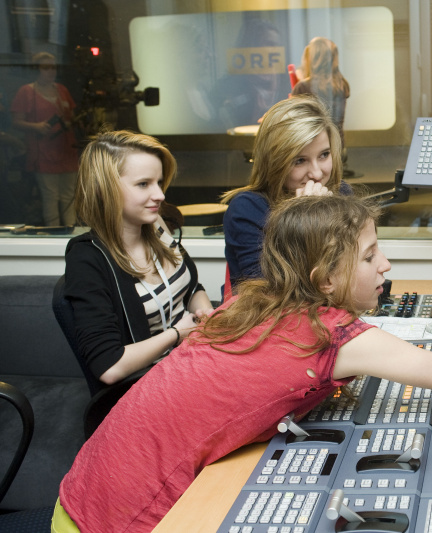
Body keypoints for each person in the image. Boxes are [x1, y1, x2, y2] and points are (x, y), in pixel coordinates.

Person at [53, 194, 432, 532]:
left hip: (80, 487)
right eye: (371, 255)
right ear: (325, 278)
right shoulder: (328, 334)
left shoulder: (255, 299)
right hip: (112, 519)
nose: (387, 267)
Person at [63, 130, 214, 386]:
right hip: (147, 384)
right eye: (144, 184)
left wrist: (206, 313)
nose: (160, 195)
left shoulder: (156, 224)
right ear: (105, 190)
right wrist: (177, 334)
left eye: (159, 182)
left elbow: (190, 290)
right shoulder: (87, 258)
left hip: (192, 359)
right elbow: (108, 366)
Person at [221, 95, 352, 286]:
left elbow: (354, 273)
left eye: (324, 155)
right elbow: (267, 295)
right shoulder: (248, 209)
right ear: (274, 162)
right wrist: (307, 220)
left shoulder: (342, 193)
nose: (317, 173)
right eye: (300, 161)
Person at [10, 51, 80, 226]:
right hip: (43, 152)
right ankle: (54, 234)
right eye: (46, 68)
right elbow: (16, 122)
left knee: (69, 195)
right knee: (50, 196)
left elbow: (72, 116)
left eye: (53, 67)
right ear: (36, 70)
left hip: (66, 149)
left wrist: (71, 122)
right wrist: (36, 126)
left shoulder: (62, 90)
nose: (51, 71)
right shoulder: (26, 91)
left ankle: (70, 232)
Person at [291, 37, 350, 146]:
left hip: (314, 150)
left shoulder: (302, 87)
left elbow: (294, 121)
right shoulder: (342, 84)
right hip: (338, 147)